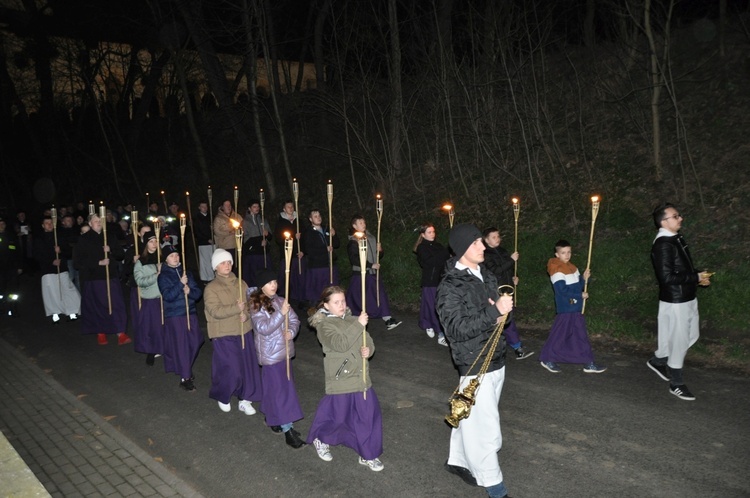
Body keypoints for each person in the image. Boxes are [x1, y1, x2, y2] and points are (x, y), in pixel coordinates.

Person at [436, 223, 513, 498]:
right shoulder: (450, 286)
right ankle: (495, 487)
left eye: (481, 242)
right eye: (476, 244)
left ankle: (457, 461)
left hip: (497, 356)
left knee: (471, 417)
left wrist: (503, 310)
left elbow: (504, 319)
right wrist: (494, 312)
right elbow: (456, 329)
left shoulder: (486, 275)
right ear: (461, 250)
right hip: (474, 361)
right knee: (486, 429)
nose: (483, 247)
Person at [307, 286, 383, 471]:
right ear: (326, 305)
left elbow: (368, 340)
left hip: (361, 377)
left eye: (343, 301)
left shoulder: (352, 319)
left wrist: (368, 350)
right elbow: (340, 344)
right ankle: (321, 439)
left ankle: (368, 454)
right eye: (336, 302)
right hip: (341, 378)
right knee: (337, 418)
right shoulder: (324, 325)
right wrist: (358, 324)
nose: (341, 305)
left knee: (368, 417)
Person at [648, 203, 711, 401]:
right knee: (679, 340)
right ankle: (676, 383)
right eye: (676, 216)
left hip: (687, 297)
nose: (680, 218)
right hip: (676, 301)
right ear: (664, 222)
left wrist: (698, 276)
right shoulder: (663, 244)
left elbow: (681, 269)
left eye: (679, 215)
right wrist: (695, 277)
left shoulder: (675, 238)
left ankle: (658, 360)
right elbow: (666, 278)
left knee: (690, 335)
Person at [249, 269, 305, 448]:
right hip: (270, 355)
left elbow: (295, 320)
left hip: (285, 353)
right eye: (269, 283)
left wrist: (291, 331)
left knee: (278, 389)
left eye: (275, 282)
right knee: (282, 393)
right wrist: (281, 313)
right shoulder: (255, 305)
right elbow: (263, 328)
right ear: (261, 286)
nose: (273, 285)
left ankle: (271, 416)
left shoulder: (281, 300)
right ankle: (288, 430)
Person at [203, 248, 262, 414]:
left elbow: (252, 305)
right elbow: (215, 311)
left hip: (243, 331)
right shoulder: (211, 288)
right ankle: (223, 394)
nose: (227, 265)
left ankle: (245, 398)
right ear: (215, 267)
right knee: (231, 368)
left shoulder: (241, 283)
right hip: (223, 333)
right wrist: (236, 309)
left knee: (247, 367)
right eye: (222, 262)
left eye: (229, 262)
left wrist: (247, 315)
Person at [538, 240, 606, 374]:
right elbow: (561, 290)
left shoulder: (573, 268)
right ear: (557, 254)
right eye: (563, 253)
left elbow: (578, 285)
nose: (567, 255)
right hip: (566, 308)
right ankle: (547, 358)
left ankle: (588, 362)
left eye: (569, 252)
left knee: (579, 335)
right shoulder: (556, 268)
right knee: (559, 335)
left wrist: (584, 279)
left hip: (575, 307)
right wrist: (579, 295)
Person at [73, 213, 131, 346]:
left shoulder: (109, 237)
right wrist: (97, 263)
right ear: (90, 223)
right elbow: (78, 262)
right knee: (98, 305)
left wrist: (111, 250)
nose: (98, 223)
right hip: (94, 278)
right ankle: (101, 331)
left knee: (116, 304)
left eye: (100, 221)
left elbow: (121, 255)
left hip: (111, 276)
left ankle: (120, 332)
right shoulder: (84, 239)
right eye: (95, 221)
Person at [482, 227, 533, 359]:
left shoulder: (502, 251)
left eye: (498, 236)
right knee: (501, 318)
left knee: (507, 318)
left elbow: (509, 269)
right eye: (493, 237)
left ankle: (512, 346)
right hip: (495, 291)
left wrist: (514, 278)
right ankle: (514, 346)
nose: (497, 239)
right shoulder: (485, 254)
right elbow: (495, 271)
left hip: (507, 288)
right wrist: (511, 260)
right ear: (486, 240)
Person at [158, 245, 204, 391]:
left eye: (177, 255)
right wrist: (180, 285)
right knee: (182, 346)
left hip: (190, 312)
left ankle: (184, 367)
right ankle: (185, 377)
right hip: (175, 315)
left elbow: (198, 294)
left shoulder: (186, 273)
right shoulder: (163, 276)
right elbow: (167, 296)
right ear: (165, 259)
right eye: (171, 256)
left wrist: (189, 290)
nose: (175, 258)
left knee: (196, 341)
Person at [345, 215, 401, 330]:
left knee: (379, 295)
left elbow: (377, 256)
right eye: (360, 223)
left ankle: (387, 318)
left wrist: (380, 251)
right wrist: (370, 265)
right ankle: (354, 320)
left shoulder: (371, 237)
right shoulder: (353, 241)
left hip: (373, 273)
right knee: (358, 299)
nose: (363, 224)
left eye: (364, 222)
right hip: (360, 274)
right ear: (354, 226)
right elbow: (354, 259)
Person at [33, 216, 81, 323]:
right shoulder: (39, 239)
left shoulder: (59, 237)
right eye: (47, 223)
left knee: (67, 289)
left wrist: (61, 251)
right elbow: (37, 254)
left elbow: (68, 251)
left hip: (62, 267)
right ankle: (55, 313)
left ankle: (72, 311)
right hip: (48, 269)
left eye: (51, 223)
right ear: (43, 225)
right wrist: (51, 261)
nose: (49, 225)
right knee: (51, 292)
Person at [413, 223, 449, 346]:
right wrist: (445, 253)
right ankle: (440, 334)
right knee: (434, 306)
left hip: (441, 280)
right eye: (429, 232)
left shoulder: (438, 246)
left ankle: (427, 323)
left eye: (433, 231)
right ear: (423, 234)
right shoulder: (421, 248)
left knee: (429, 304)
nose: (432, 234)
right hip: (430, 281)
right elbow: (429, 263)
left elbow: (445, 261)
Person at [133, 231, 165, 366]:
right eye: (151, 241)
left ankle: (165, 348)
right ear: (146, 244)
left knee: (165, 326)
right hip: (151, 298)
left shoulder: (164, 258)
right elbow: (139, 281)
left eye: (156, 241)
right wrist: (156, 275)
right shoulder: (141, 262)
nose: (154, 244)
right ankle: (151, 350)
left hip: (164, 297)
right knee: (152, 327)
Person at [301, 209, 340, 306]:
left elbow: (336, 244)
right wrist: (324, 249)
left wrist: (334, 235)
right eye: (315, 216)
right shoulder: (308, 232)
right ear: (310, 219)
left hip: (329, 264)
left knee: (331, 289)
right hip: (317, 266)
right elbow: (308, 250)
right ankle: (315, 309)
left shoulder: (326, 229)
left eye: (319, 216)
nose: (318, 218)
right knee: (317, 290)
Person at [273, 200, 305, 304]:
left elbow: (305, 237)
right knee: (287, 277)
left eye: (292, 206)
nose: (290, 208)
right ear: (284, 209)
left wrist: (303, 251)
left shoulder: (299, 221)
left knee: (300, 277)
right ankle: (285, 299)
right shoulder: (281, 222)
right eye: (288, 207)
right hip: (287, 254)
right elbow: (279, 238)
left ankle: (301, 299)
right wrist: (292, 237)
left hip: (298, 254)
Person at [242, 200, 271, 288]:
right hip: (253, 254)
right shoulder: (245, 222)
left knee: (265, 274)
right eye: (254, 207)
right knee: (253, 275)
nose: (257, 209)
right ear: (249, 208)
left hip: (264, 253)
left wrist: (267, 235)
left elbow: (270, 235)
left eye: (258, 207)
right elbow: (245, 239)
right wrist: (258, 243)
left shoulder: (262, 219)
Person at [0, 217, 23, 316]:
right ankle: (2, 308)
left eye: (3, 223)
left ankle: (13, 308)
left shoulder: (11, 237)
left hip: (12, 268)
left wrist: (20, 266)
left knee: (13, 290)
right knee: (1, 290)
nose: (1, 226)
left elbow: (18, 252)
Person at [213, 200, 242, 274]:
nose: (228, 207)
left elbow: (242, 225)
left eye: (229, 205)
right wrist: (229, 232)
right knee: (227, 266)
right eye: (226, 205)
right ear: (222, 207)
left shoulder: (236, 216)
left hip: (237, 245)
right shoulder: (218, 218)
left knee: (237, 266)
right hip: (225, 246)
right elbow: (217, 231)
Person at [194, 200, 215, 284]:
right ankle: (207, 278)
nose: (205, 208)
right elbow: (197, 232)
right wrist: (207, 239)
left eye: (206, 206)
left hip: (212, 242)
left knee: (212, 259)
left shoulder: (211, 217)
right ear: (199, 208)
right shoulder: (197, 218)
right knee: (206, 261)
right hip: (203, 243)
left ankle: (213, 276)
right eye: (202, 206)